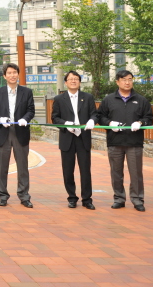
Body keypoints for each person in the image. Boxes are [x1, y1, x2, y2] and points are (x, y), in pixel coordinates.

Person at [97, 70, 153, 212]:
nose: (127, 82)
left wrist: (141, 123)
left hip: (134, 142)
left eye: (130, 79)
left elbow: (149, 118)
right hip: (115, 141)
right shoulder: (108, 100)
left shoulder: (141, 100)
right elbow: (100, 116)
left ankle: (137, 199)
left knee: (136, 173)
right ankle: (119, 198)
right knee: (116, 172)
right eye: (123, 79)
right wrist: (110, 123)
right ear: (117, 82)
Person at [0, 63, 35, 208]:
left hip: (20, 132)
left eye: (15, 72)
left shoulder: (26, 92)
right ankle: (2, 195)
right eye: (9, 73)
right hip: (3, 133)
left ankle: (24, 196)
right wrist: (0, 119)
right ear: (4, 76)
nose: (12, 75)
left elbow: (31, 110)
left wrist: (24, 119)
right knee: (2, 167)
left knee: (23, 167)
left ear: (18, 74)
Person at [51, 70, 97, 210]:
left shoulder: (87, 97)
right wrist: (65, 124)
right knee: (68, 170)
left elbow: (94, 114)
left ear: (79, 82)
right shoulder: (59, 99)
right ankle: (72, 197)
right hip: (67, 138)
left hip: (83, 138)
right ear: (66, 82)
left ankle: (87, 199)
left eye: (76, 79)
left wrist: (92, 121)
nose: (73, 81)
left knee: (85, 170)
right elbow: (55, 118)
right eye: (70, 79)